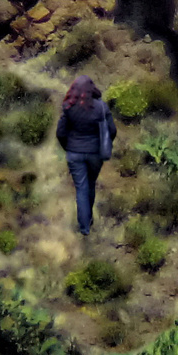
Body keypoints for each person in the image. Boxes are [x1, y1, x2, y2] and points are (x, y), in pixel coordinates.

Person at [55, 75, 117, 236]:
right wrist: (106, 144)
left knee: (81, 188)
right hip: (95, 153)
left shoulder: (68, 107)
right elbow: (112, 130)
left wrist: (67, 148)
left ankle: (84, 226)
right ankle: (88, 218)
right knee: (90, 183)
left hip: (74, 153)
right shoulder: (101, 107)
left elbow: (60, 133)